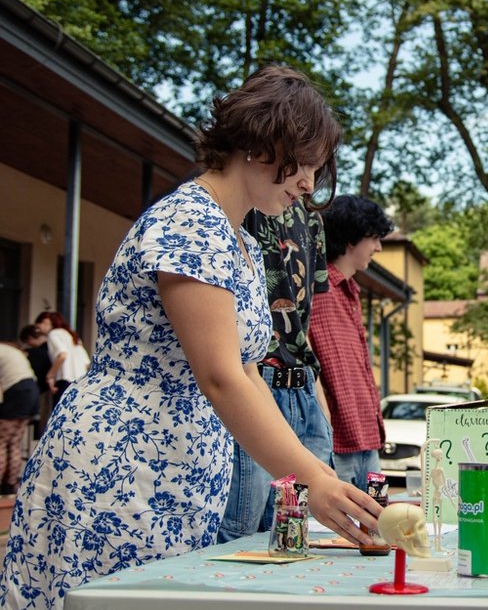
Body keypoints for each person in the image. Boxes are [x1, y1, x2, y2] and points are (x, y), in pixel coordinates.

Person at [0, 66, 381, 610]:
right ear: (264, 145)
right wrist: (307, 481)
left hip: (181, 470)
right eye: (308, 166)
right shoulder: (190, 224)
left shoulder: (240, 240)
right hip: (124, 464)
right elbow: (220, 375)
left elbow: (250, 371)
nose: (309, 185)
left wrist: (317, 474)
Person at [216, 198, 336, 543]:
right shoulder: (244, 205)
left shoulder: (311, 216)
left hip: (303, 389)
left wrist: (318, 398)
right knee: (241, 534)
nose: (309, 183)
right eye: (307, 165)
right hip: (255, 383)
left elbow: (303, 318)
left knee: (304, 536)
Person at [309, 195, 393, 490]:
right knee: (333, 533)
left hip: (368, 442)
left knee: (377, 529)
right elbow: (310, 363)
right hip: (336, 444)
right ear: (350, 240)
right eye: (374, 238)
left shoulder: (351, 292)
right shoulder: (315, 291)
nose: (379, 247)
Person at [0, 342, 40, 495]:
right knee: (14, 442)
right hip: (31, 392)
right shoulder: (9, 350)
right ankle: (9, 485)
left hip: (16, 391)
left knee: (1, 441)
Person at [33, 311, 89, 407]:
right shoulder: (71, 334)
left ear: (46, 322)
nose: (38, 330)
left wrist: (50, 376)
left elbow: (62, 355)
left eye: (38, 327)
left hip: (65, 380)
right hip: (80, 381)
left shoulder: (54, 334)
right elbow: (86, 361)